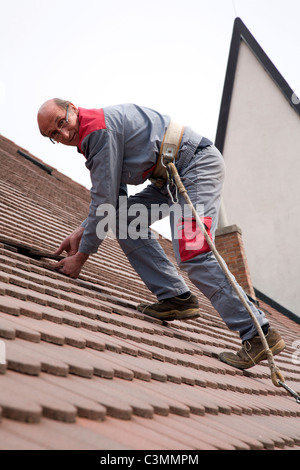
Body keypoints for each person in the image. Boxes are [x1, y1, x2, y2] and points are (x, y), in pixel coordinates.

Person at [37, 98, 285, 369]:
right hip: (168, 178)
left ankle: (259, 334)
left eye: (62, 123)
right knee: (124, 220)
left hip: (194, 168)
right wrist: (84, 229)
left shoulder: (97, 130)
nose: (63, 134)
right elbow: (112, 202)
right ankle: (175, 297)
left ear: (72, 108)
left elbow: (104, 202)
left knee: (194, 252)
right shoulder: (95, 132)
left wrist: (81, 256)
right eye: (54, 134)